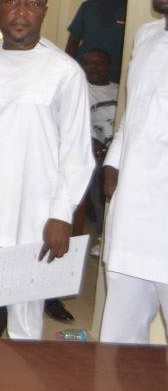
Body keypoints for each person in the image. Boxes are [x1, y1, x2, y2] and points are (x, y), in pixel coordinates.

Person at [0, 0, 93, 340]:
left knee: (25, 328)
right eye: (12, 1)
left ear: (44, 11)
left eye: (32, 4)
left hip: (33, 219)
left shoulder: (64, 72)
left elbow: (77, 153)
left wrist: (61, 215)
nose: (21, 12)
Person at [100, 0, 168, 345]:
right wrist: (113, 163)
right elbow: (134, 112)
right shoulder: (146, 36)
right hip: (131, 218)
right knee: (118, 341)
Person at [65, 0, 128, 83]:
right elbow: (73, 43)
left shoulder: (130, 9)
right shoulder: (89, 6)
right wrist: (68, 71)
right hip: (84, 73)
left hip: (114, 76)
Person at [82, 48, 118, 253]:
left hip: (115, 147)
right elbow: (77, 125)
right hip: (92, 149)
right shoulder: (81, 88)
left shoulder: (118, 89)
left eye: (98, 63)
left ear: (109, 66)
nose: (92, 68)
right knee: (98, 174)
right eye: (88, 63)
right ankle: (102, 234)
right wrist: (96, 145)